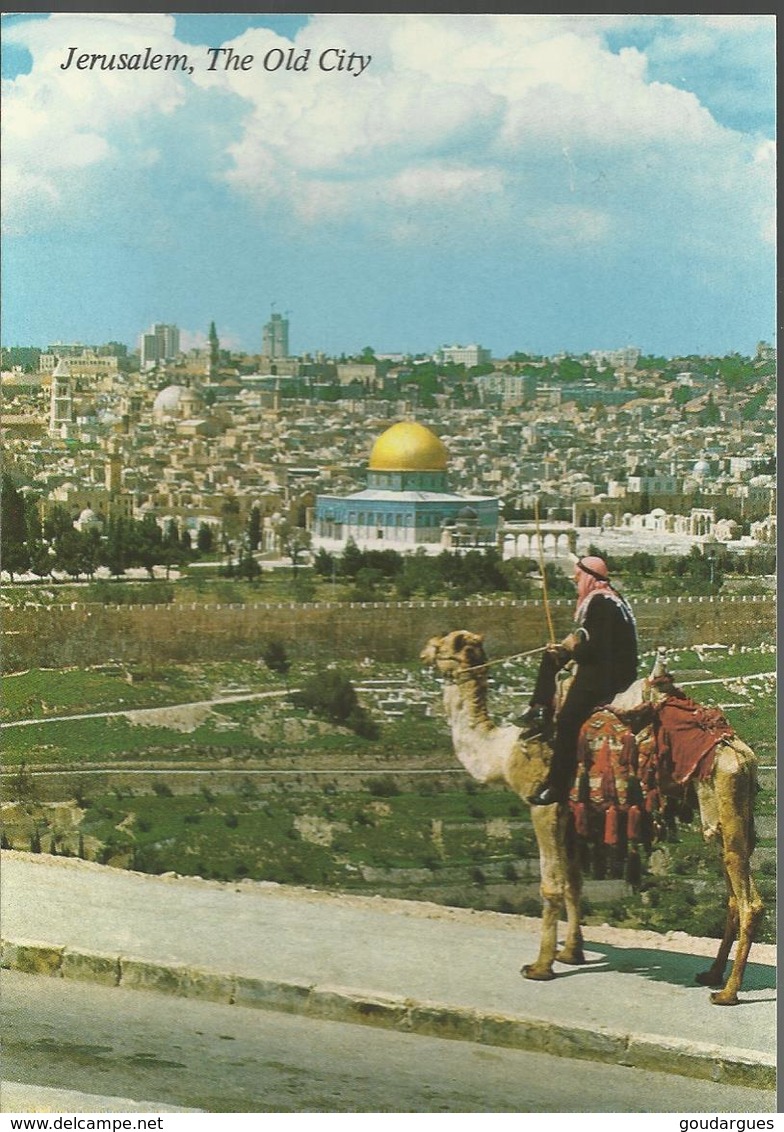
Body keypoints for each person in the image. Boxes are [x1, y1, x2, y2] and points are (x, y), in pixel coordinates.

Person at [521, 555, 638, 806]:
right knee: (552, 657)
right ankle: (539, 708)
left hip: (607, 674)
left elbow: (594, 650)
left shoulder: (600, 603)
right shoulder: (610, 599)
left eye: (577, 577)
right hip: (609, 667)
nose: (576, 582)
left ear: (588, 577)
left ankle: (557, 786)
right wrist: (566, 649)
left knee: (566, 720)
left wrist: (573, 647)